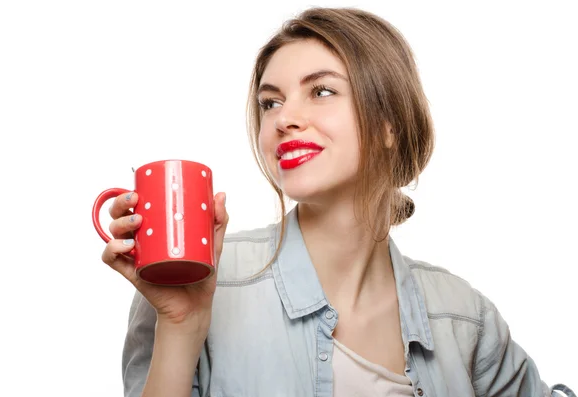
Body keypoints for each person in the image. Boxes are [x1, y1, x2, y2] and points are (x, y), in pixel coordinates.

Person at [101, 7, 571, 397]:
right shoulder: (202, 279)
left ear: (389, 123)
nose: (285, 118)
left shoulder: (464, 318)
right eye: (270, 103)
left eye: (321, 91)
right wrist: (181, 325)